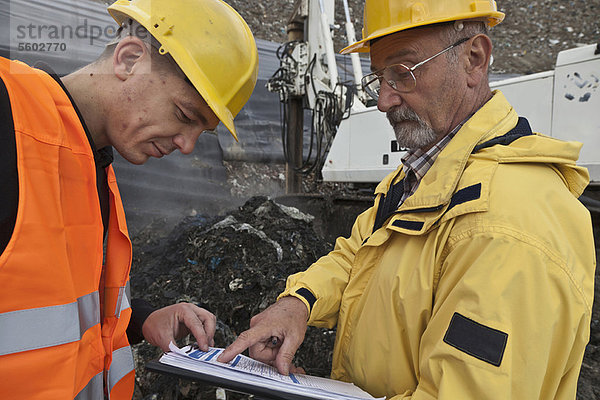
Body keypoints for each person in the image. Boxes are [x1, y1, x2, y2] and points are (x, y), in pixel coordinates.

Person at [218, 0, 596, 398]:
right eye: (379, 77)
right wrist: (299, 302)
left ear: (474, 58)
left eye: (403, 73)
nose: (383, 100)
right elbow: (358, 256)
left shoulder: (506, 226)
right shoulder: (424, 175)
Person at [0, 0, 257, 398]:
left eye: (202, 133)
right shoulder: (9, 118)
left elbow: (48, 307)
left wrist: (141, 319)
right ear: (130, 59)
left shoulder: (91, 163)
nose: (187, 146)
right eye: (186, 115)